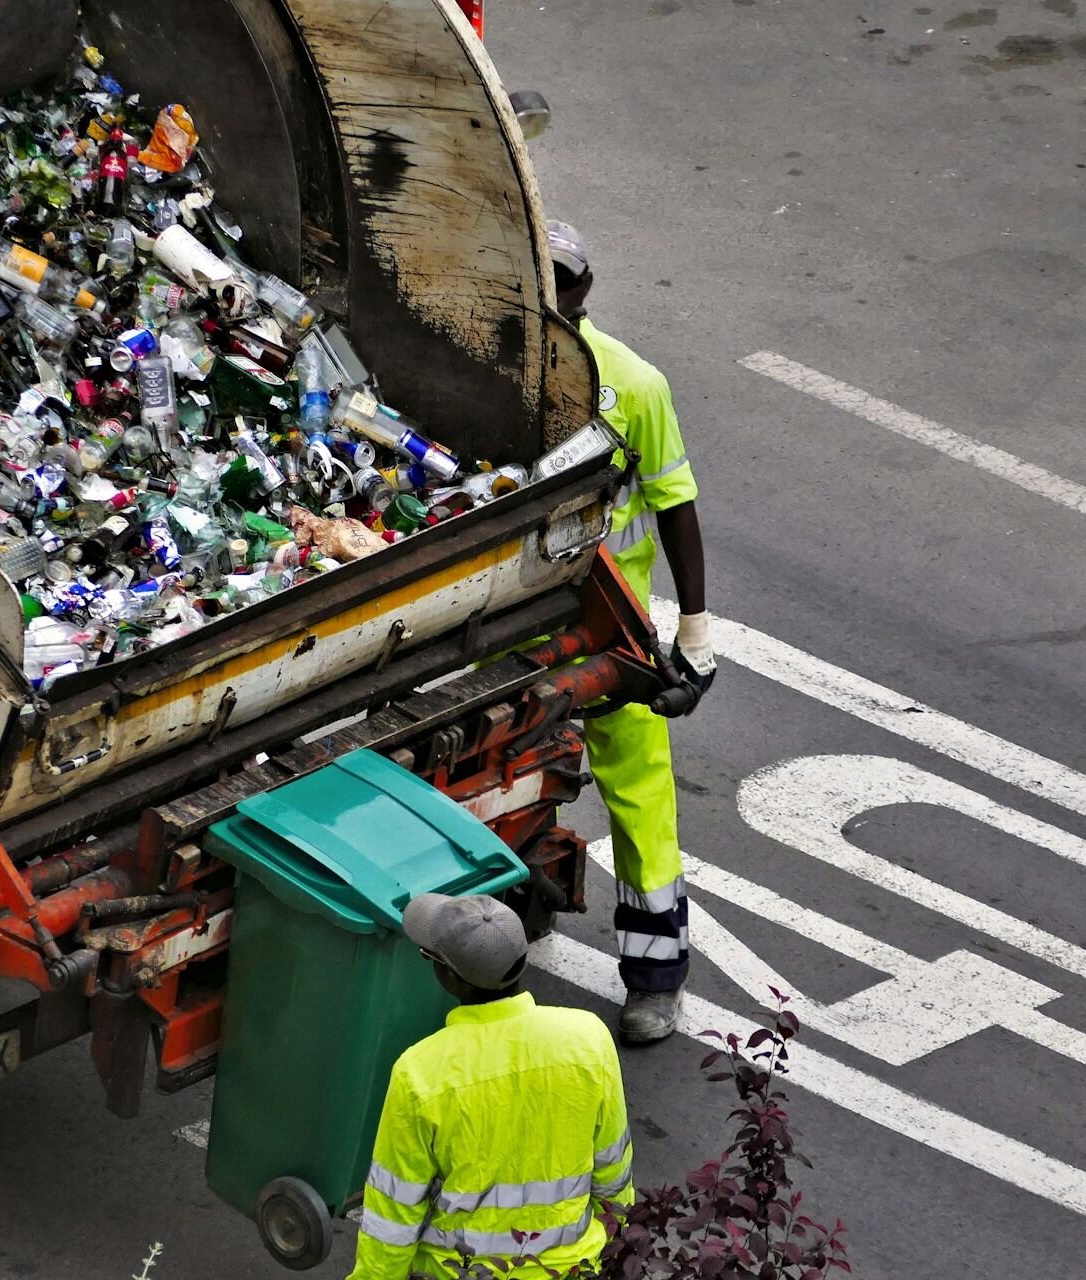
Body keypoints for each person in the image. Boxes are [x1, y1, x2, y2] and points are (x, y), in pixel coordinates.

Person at [547, 218, 715, 1045]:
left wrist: (696, 632)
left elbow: (676, 505)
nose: (551, 292)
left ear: (586, 288)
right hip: (510, 620)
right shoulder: (485, 364)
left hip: (609, 626)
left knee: (640, 798)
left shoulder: (635, 385)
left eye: (563, 279)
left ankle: (656, 981)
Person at [350, 893, 635, 1279]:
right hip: (573, 1269)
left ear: (449, 977)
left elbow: (394, 1214)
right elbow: (613, 1174)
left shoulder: (420, 1074)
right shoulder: (588, 1040)